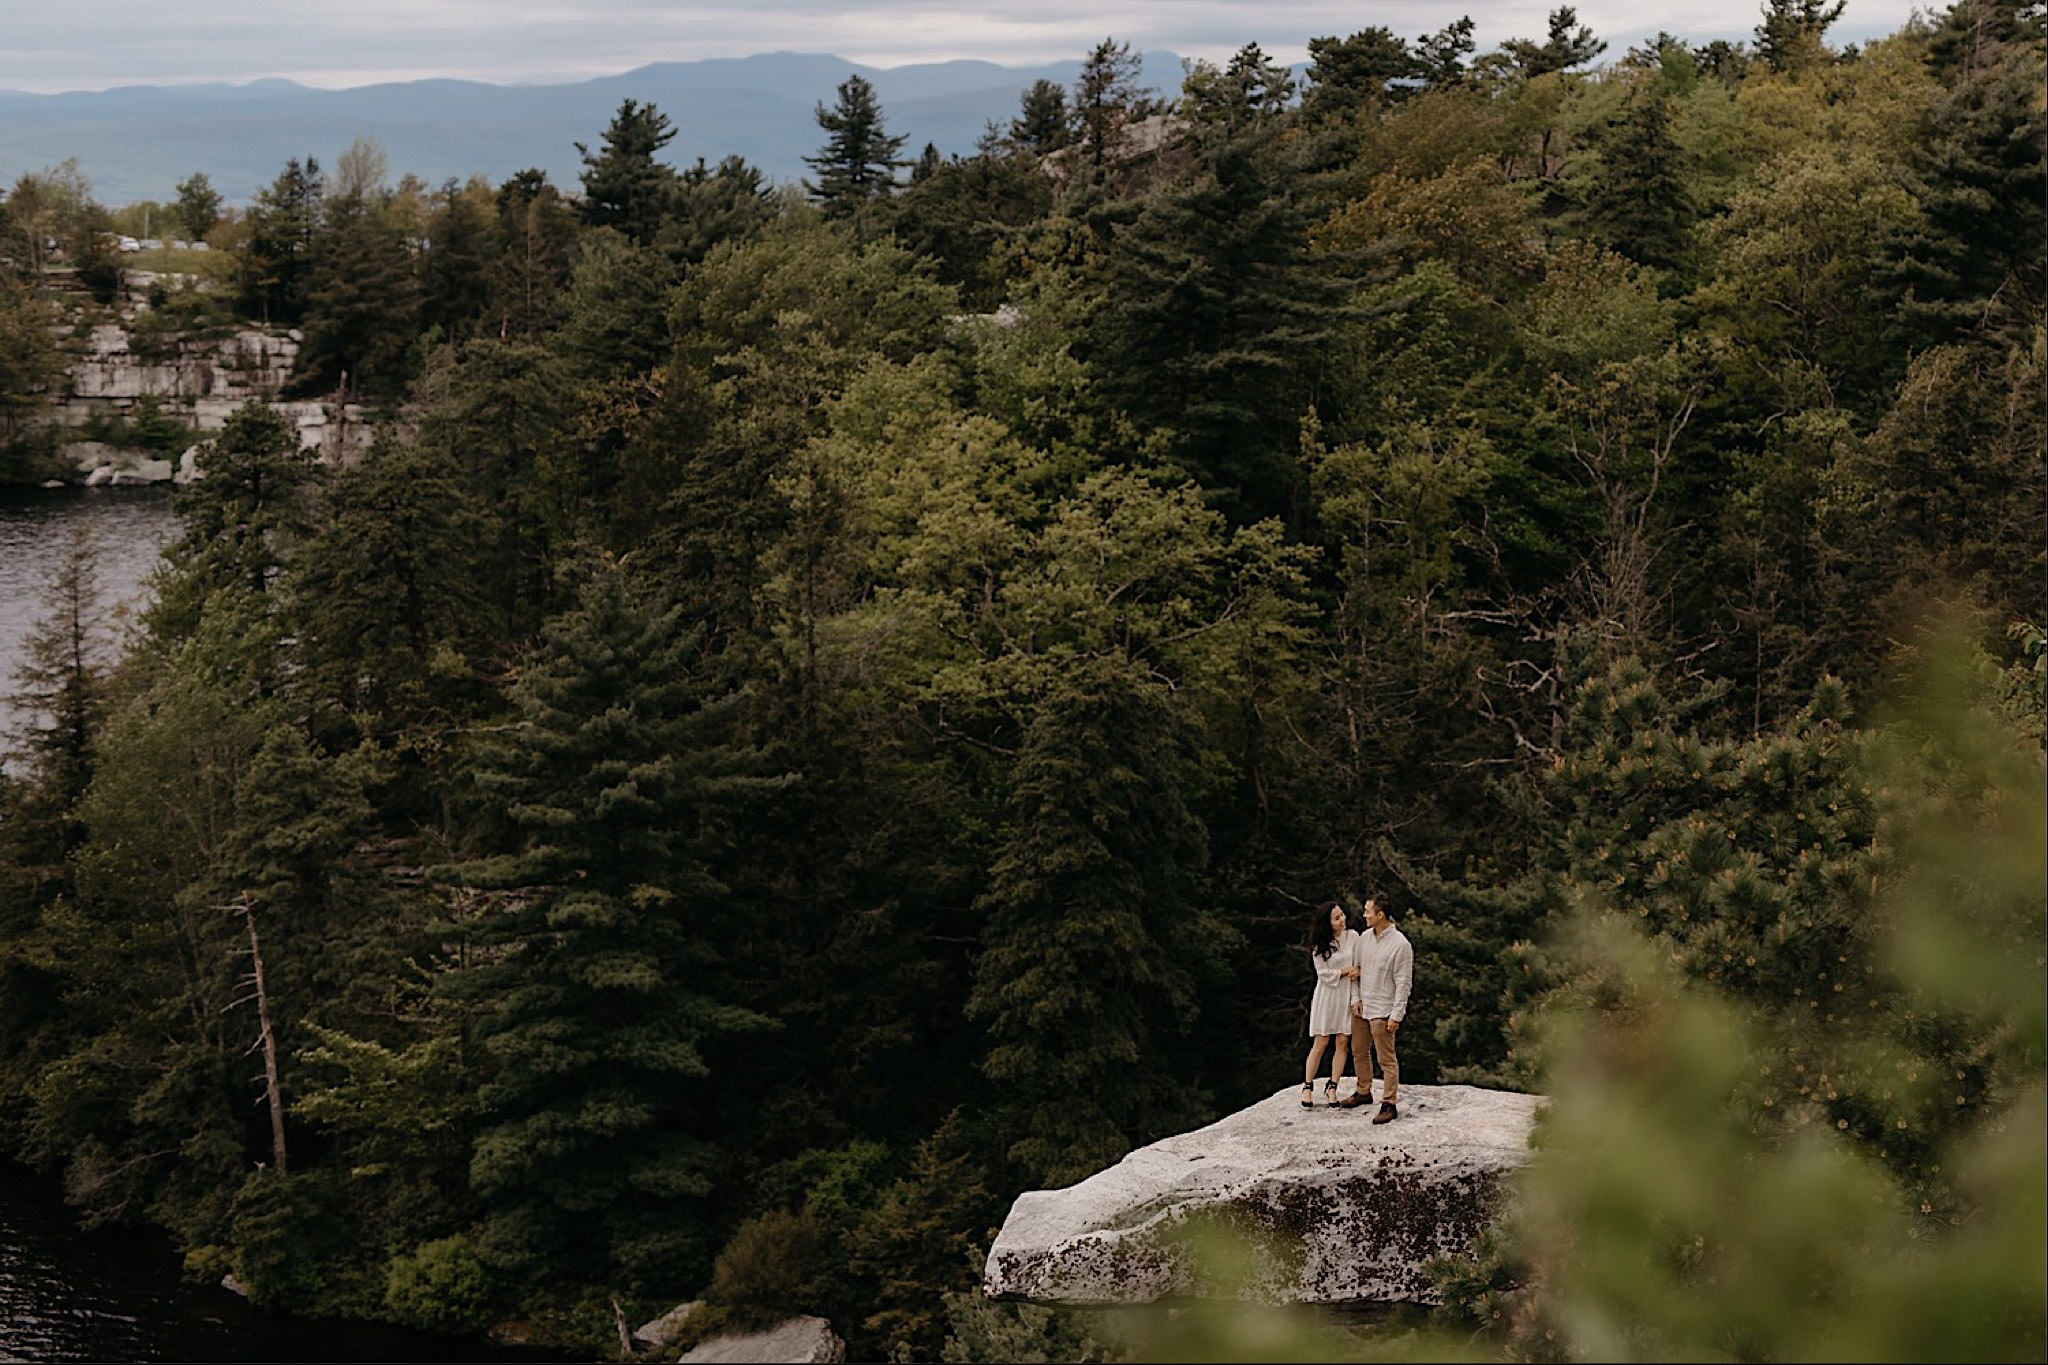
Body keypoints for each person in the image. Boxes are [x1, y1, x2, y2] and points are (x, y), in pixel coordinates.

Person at [1338, 895, 1413, 1123]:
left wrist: (1396, 1015)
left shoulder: (1401, 945)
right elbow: (1355, 972)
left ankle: (1389, 1104)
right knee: (1358, 1051)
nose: (1364, 915)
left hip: (1383, 1009)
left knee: (1386, 1060)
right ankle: (1363, 1091)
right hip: (1363, 1006)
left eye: (1368, 911)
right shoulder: (1364, 939)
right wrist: (1355, 1000)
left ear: (1380, 915)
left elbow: (1403, 983)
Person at [1302, 900, 1360, 1107]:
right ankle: (1307, 1086)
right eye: (1336, 918)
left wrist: (1355, 996)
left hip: (1346, 995)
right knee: (1321, 1042)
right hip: (1327, 996)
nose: (1342, 920)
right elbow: (1324, 975)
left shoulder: (1353, 937)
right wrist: (1345, 971)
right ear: (1327, 922)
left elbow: (1357, 968)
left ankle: (1332, 1086)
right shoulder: (1319, 945)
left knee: (1343, 1042)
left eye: (1342, 915)